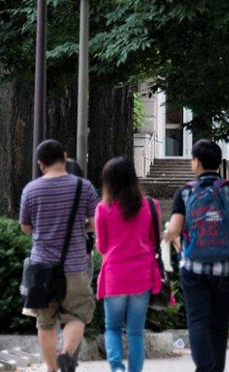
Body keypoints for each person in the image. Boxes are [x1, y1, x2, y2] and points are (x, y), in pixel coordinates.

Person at [163, 139, 229, 372]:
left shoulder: (186, 192)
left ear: (197, 162)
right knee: (219, 325)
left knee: (198, 321)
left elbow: (175, 230)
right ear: (218, 163)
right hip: (225, 269)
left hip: (193, 268)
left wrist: (169, 232)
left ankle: (205, 367)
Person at [20, 140, 100, 372]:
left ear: (40, 163)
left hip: (42, 267)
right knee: (77, 314)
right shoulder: (83, 187)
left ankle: (52, 368)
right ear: (64, 157)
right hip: (75, 266)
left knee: (45, 322)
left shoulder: (31, 190)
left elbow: (25, 227)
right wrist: (79, 226)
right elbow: (95, 223)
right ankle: (66, 353)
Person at [95, 156, 160, 372]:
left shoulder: (103, 209)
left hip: (114, 276)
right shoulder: (151, 206)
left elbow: (102, 247)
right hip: (141, 276)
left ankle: (116, 368)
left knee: (112, 328)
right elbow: (154, 241)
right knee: (136, 332)